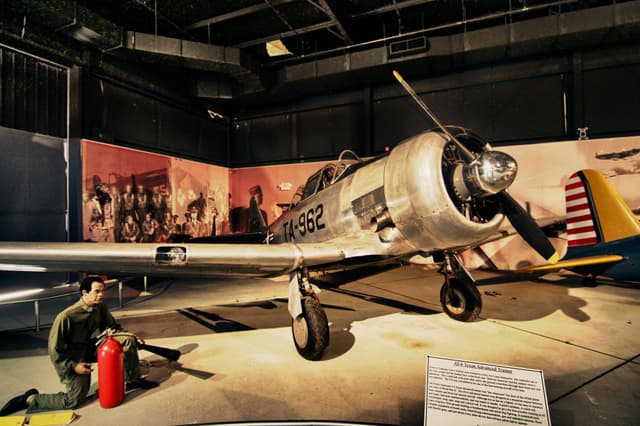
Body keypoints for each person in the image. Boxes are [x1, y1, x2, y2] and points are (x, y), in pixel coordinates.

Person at [0, 276, 157, 415]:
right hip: (73, 357)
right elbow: (55, 350)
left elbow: (112, 328)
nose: (101, 295)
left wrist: (131, 336)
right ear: (84, 293)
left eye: (102, 291)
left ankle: (132, 379)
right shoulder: (66, 317)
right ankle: (29, 398)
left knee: (127, 340)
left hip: (90, 346)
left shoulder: (100, 307)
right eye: (97, 291)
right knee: (73, 401)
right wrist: (73, 366)